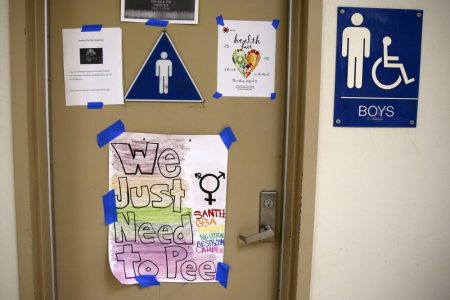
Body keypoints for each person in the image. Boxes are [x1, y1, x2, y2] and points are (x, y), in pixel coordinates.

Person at [342, 13, 371, 89]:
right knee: (352, 66)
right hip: (352, 52)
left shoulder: (365, 31)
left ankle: (357, 84)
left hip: (359, 52)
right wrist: (344, 53)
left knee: (358, 66)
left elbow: (367, 43)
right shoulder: (347, 30)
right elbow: (345, 42)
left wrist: (366, 53)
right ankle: (350, 84)